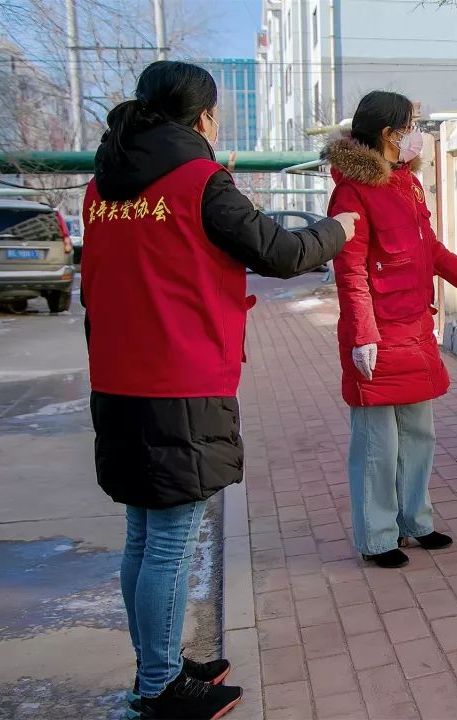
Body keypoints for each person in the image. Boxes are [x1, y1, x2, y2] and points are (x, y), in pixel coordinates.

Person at [82, 61, 356, 719]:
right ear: (203, 118)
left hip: (118, 380)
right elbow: (279, 252)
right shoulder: (201, 181)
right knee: (171, 540)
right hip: (180, 382)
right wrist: (338, 232)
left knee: (143, 536)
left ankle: (162, 666)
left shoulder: (101, 187)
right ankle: (158, 689)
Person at [324, 91, 457, 569]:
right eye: (412, 124)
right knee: (378, 445)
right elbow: (351, 270)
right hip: (378, 336)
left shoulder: (407, 184)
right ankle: (378, 536)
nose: (418, 133)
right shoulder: (352, 192)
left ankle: (415, 520)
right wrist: (363, 335)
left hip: (415, 329)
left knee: (419, 435)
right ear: (389, 133)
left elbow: (432, 249)